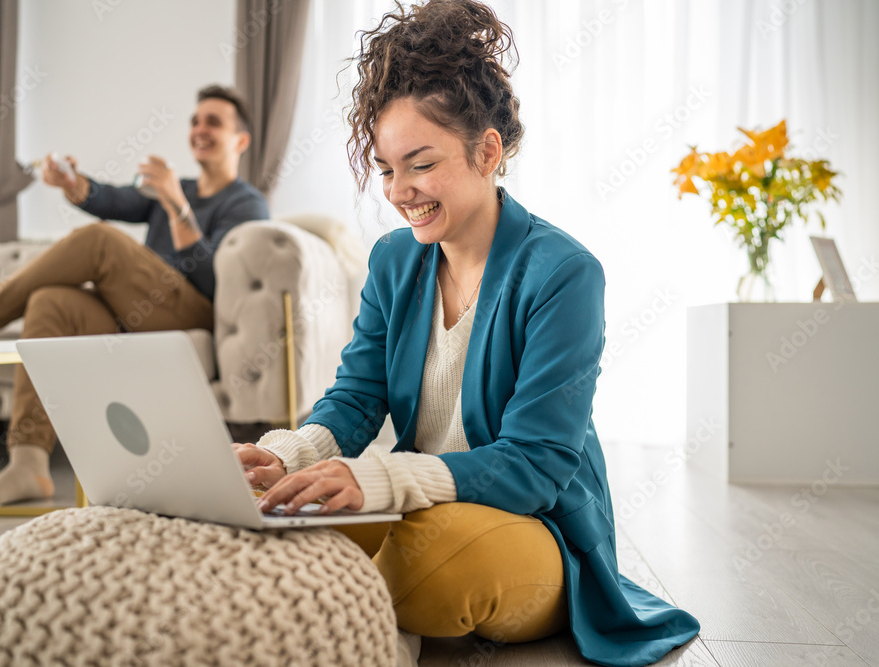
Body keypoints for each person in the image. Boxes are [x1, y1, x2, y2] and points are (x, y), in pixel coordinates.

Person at [233, 2, 700, 665]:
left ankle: (364, 618)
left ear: (487, 151)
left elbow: (535, 466)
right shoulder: (395, 260)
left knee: (427, 571)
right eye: (387, 167)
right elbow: (358, 397)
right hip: (420, 504)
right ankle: (363, 614)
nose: (399, 190)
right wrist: (288, 454)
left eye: (419, 163)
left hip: (532, 523)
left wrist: (383, 480)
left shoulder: (564, 274)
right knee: (278, 521)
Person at [0, 84, 269, 507]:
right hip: (134, 312)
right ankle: (28, 464)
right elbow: (112, 199)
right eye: (195, 120)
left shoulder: (246, 204)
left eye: (214, 121)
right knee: (50, 300)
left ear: (241, 140)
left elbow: (216, 282)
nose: (200, 129)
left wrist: (177, 205)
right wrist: (73, 183)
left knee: (99, 241)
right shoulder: (178, 187)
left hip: (188, 313)